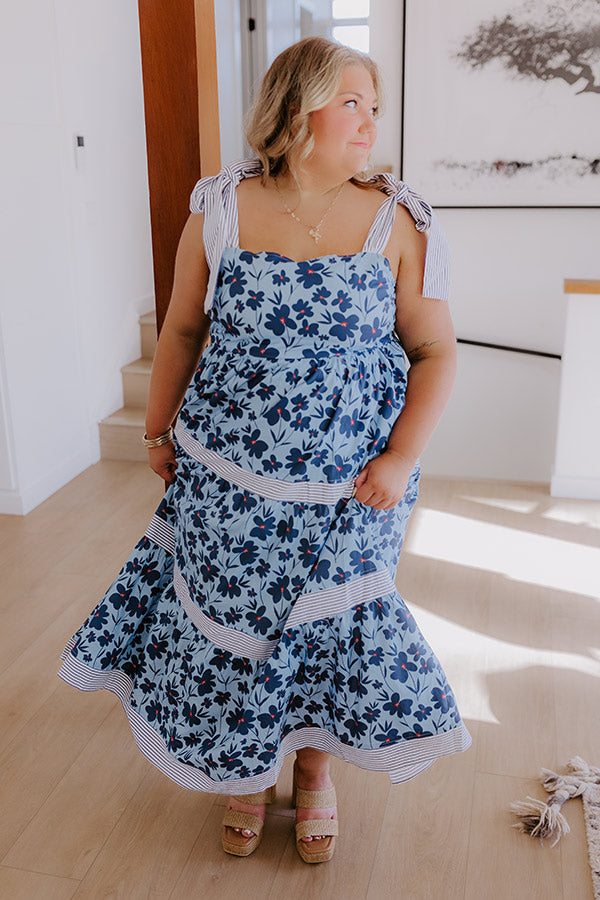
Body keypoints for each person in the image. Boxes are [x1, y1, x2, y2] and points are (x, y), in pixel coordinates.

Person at [58, 36, 471, 864]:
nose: (370, 122)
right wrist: (156, 428)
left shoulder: (397, 218)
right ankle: (246, 770)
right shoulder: (218, 207)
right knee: (236, 623)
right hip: (228, 475)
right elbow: (181, 328)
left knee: (326, 631)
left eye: (374, 107)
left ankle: (314, 768)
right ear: (295, 108)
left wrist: (396, 460)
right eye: (352, 101)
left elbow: (436, 353)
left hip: (351, 489)